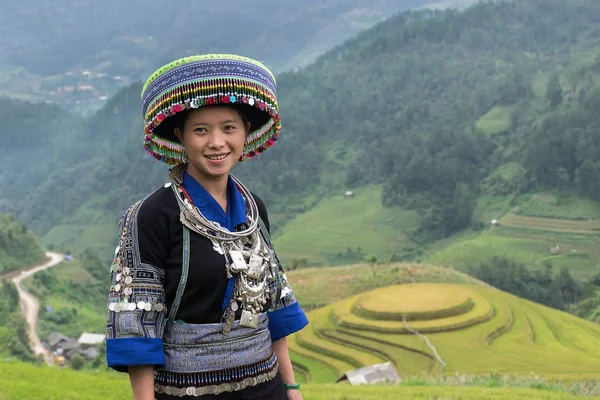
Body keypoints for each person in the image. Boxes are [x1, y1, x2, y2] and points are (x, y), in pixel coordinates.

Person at [105, 54, 309, 400]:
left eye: (229, 127)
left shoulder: (253, 208)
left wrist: (291, 388)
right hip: (188, 393)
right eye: (201, 130)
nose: (217, 142)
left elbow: (273, 305)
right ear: (180, 136)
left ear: (245, 132)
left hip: (267, 387)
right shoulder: (151, 216)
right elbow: (137, 322)